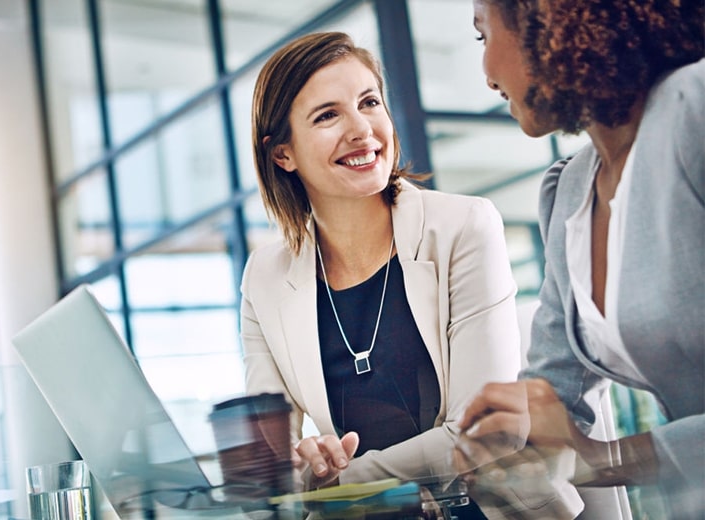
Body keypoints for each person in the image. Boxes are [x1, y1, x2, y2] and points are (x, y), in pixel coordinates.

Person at [241, 31, 580, 519]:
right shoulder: (264, 279)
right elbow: (271, 465)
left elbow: (486, 435)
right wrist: (304, 466)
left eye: (369, 102)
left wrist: (342, 482)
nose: (362, 129)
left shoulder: (464, 225)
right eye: (328, 115)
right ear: (282, 154)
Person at [458, 0, 704, 518]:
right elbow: (550, 397)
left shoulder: (694, 109)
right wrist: (504, 446)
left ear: (545, 19)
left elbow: (586, 454)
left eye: (484, 36)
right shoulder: (571, 190)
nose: (486, 75)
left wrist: (601, 459)